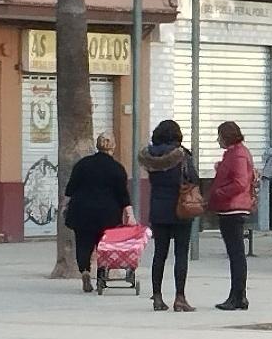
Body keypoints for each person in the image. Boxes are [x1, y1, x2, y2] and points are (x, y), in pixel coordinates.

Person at [63, 132, 133, 293]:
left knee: (83, 244)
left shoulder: (83, 164)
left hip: (82, 211)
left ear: (97, 145)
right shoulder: (117, 168)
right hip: (107, 214)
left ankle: (85, 272)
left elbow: (71, 188)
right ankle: (101, 278)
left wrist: (64, 205)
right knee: (104, 247)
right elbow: (123, 194)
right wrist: (130, 214)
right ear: (113, 147)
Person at [139, 120, 197, 312]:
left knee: (160, 254)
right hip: (181, 209)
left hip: (158, 208)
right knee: (181, 254)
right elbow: (193, 178)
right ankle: (180, 297)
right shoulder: (182, 155)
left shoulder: (148, 156)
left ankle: (157, 297)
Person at [209, 121, 255, 311]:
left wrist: (219, 192)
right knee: (236, 253)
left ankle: (238, 296)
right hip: (232, 207)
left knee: (236, 254)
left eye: (219, 135)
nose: (217, 139)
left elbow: (240, 182)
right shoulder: (235, 153)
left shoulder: (237, 154)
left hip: (233, 208)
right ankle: (237, 295)